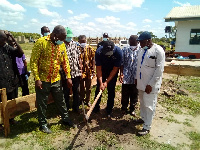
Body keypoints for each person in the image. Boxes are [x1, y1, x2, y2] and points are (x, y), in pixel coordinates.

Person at [30, 25, 75, 134]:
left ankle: (65, 118)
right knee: (42, 102)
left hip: (56, 78)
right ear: (54, 35)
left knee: (61, 100)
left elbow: (65, 62)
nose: (63, 41)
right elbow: (34, 62)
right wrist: (37, 78)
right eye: (61, 38)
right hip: (43, 79)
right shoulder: (41, 43)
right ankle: (43, 124)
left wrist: (68, 77)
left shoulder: (61, 45)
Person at [135, 31, 165, 136]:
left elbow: (159, 70)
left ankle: (147, 126)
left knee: (149, 105)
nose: (140, 44)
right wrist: (136, 78)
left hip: (150, 85)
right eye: (139, 42)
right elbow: (138, 66)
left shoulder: (158, 51)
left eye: (142, 42)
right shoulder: (141, 50)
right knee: (142, 103)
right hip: (141, 82)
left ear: (148, 40)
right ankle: (143, 119)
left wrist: (151, 84)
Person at [0, 30, 24, 125]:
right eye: (3, 39)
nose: (5, 41)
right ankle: (2, 122)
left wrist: (13, 38)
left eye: (5, 39)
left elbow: (20, 53)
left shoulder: (8, 48)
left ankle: (11, 119)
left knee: (12, 100)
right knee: (1, 102)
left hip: (12, 80)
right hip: (1, 81)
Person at [93, 40, 122, 118]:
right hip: (102, 70)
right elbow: (98, 69)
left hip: (112, 71)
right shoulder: (99, 52)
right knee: (98, 89)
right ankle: (95, 108)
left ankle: (109, 109)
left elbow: (115, 69)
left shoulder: (118, 52)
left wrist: (106, 82)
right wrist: (101, 82)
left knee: (111, 89)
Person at [62, 27, 82, 113]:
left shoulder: (75, 44)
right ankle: (66, 107)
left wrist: (80, 68)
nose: (69, 39)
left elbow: (79, 57)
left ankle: (76, 106)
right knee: (65, 91)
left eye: (71, 37)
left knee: (76, 90)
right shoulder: (60, 45)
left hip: (76, 72)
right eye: (68, 37)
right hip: (65, 74)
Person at [119, 35, 140, 116]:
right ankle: (123, 108)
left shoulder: (140, 50)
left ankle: (132, 109)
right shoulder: (125, 49)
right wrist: (121, 74)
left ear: (137, 42)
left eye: (133, 42)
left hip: (136, 77)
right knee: (125, 94)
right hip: (126, 76)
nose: (131, 43)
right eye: (130, 41)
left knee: (134, 94)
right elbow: (122, 63)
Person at [78, 35, 95, 107]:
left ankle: (87, 100)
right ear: (79, 42)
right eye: (81, 42)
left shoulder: (90, 49)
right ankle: (81, 99)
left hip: (89, 71)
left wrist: (93, 70)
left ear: (86, 41)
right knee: (81, 87)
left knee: (88, 88)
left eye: (84, 42)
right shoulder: (77, 49)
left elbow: (93, 59)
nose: (83, 43)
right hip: (80, 72)